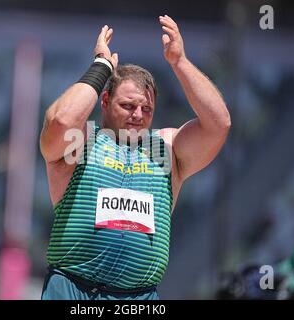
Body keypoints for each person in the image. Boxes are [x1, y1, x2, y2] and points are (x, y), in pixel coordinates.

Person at [40, 15, 231, 300]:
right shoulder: (79, 141)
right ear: (104, 101)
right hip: (71, 289)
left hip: (137, 298)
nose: (138, 116)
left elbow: (219, 124)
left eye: (147, 108)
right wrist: (101, 66)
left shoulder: (167, 147)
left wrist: (179, 62)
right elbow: (61, 120)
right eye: (128, 105)